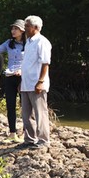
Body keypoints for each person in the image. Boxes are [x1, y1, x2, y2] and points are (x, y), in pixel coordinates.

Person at [16, 15, 52, 150]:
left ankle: (43, 140)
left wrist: (40, 81)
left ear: (36, 27)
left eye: (27, 26)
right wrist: (22, 82)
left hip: (37, 83)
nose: (25, 29)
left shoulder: (42, 42)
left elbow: (45, 63)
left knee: (40, 113)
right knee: (26, 114)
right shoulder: (29, 41)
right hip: (26, 83)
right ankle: (29, 139)